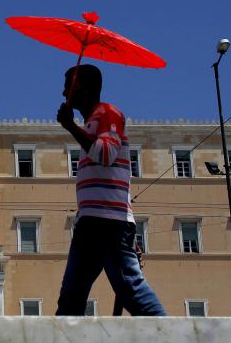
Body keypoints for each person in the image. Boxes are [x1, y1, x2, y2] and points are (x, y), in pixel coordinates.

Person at [54, 64, 166, 316]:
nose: (63, 93)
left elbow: (106, 154)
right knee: (71, 298)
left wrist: (71, 127)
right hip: (93, 222)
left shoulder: (108, 113)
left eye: (68, 84)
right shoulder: (93, 121)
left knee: (131, 290)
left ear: (84, 86)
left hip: (107, 224)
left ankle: (170, 335)